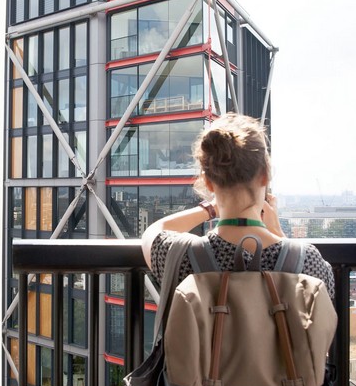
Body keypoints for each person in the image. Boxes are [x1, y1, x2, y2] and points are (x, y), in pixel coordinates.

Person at [141, 112, 334, 297]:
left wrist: (209, 209)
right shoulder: (307, 261)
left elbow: (154, 231)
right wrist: (278, 232)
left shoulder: (183, 256)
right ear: (266, 175)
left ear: (208, 182)